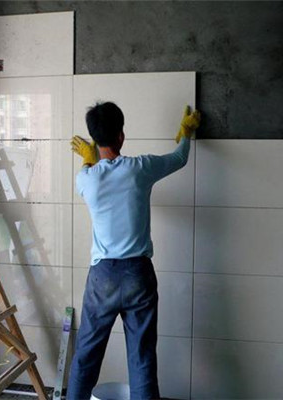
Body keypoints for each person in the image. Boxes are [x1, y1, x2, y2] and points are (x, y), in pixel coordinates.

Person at [67, 102, 200, 400]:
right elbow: (179, 159)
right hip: (138, 274)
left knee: (86, 355)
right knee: (142, 358)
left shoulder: (86, 179)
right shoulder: (141, 168)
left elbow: (88, 172)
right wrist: (186, 133)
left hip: (102, 277)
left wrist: (88, 160)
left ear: (94, 140)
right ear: (121, 136)